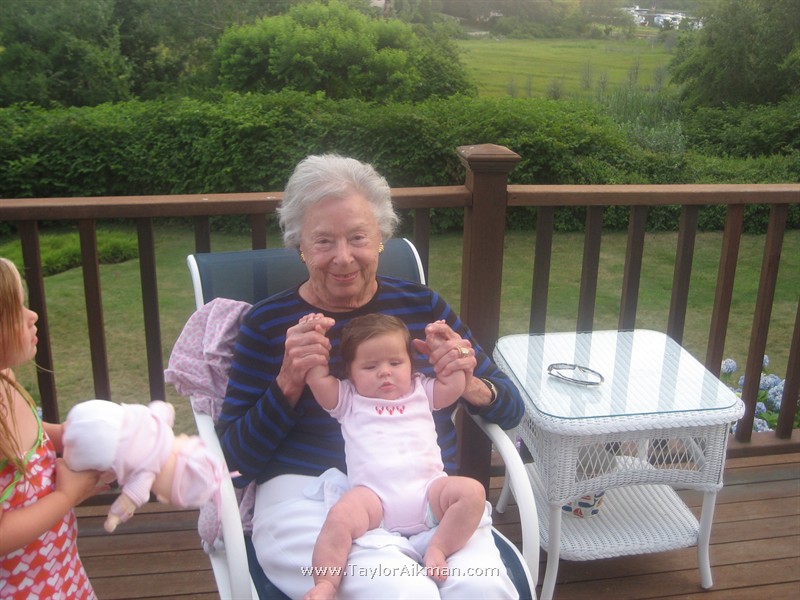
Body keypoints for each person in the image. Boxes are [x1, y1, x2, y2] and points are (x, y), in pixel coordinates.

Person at [217, 154, 524, 599]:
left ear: (381, 238)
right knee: (399, 591)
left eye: (358, 237)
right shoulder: (268, 323)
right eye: (323, 241)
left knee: (483, 590)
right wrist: (288, 382)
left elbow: (510, 407)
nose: (343, 258)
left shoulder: (422, 308)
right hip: (309, 497)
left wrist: (468, 379)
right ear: (300, 245)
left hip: (427, 494)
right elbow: (232, 464)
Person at [301, 313, 487, 600]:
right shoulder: (348, 398)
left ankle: (439, 547)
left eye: (395, 363)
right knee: (339, 518)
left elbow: (455, 385)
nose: (384, 372)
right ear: (350, 372)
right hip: (373, 501)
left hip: (429, 494)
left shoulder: (421, 389)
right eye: (370, 366)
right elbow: (316, 377)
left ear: (411, 363)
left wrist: (444, 347)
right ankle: (326, 582)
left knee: (473, 492)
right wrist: (313, 335)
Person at [0, 257, 106, 599]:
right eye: (15, 310)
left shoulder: (5, 380)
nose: (32, 315)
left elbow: (30, 433)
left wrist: (73, 434)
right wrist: (67, 496)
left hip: (62, 569)